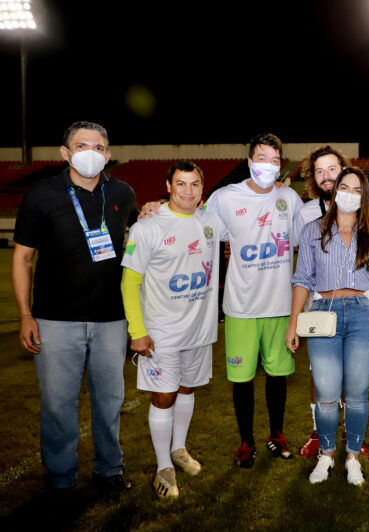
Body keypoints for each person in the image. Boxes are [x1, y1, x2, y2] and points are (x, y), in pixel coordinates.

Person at [12, 121, 137, 495]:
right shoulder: (41, 194)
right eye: (82, 145)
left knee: (110, 403)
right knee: (57, 406)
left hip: (112, 320)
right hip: (54, 320)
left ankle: (109, 470)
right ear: (65, 153)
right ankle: (61, 478)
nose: (91, 152)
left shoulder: (123, 192)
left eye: (99, 147)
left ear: (108, 155)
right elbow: (23, 259)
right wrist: (24, 314)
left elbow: (144, 239)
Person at [120, 161, 221, 498]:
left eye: (194, 184)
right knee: (163, 397)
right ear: (168, 186)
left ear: (202, 189)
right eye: (181, 184)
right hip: (161, 332)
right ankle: (163, 465)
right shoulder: (148, 225)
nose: (188, 191)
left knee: (188, 389)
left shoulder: (210, 219)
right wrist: (137, 331)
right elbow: (129, 283)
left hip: (199, 330)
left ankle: (179, 449)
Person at [287, 166, 369, 486]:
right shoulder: (312, 230)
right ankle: (327, 454)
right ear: (335, 192)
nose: (349, 194)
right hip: (323, 313)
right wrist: (293, 323)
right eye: (344, 188)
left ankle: (353, 457)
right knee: (327, 393)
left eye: (356, 190)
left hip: (363, 314)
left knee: (359, 394)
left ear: (364, 196)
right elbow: (302, 279)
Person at [204, 133, 304, 464]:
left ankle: (276, 434)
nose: (268, 165)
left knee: (278, 375)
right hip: (241, 307)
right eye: (262, 158)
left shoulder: (289, 198)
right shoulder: (225, 197)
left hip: (279, 306)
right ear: (249, 162)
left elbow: (312, 235)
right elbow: (196, 225)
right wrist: (156, 208)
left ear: (280, 165)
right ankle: (247, 442)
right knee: (242, 379)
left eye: (275, 160)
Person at [294, 145, 353, 458]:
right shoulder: (305, 212)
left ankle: (347, 431)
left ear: (344, 168)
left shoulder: (363, 206)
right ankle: (319, 432)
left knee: (351, 373)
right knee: (320, 373)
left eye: (332, 169)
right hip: (318, 304)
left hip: (357, 304)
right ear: (311, 177)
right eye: (319, 171)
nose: (327, 176)